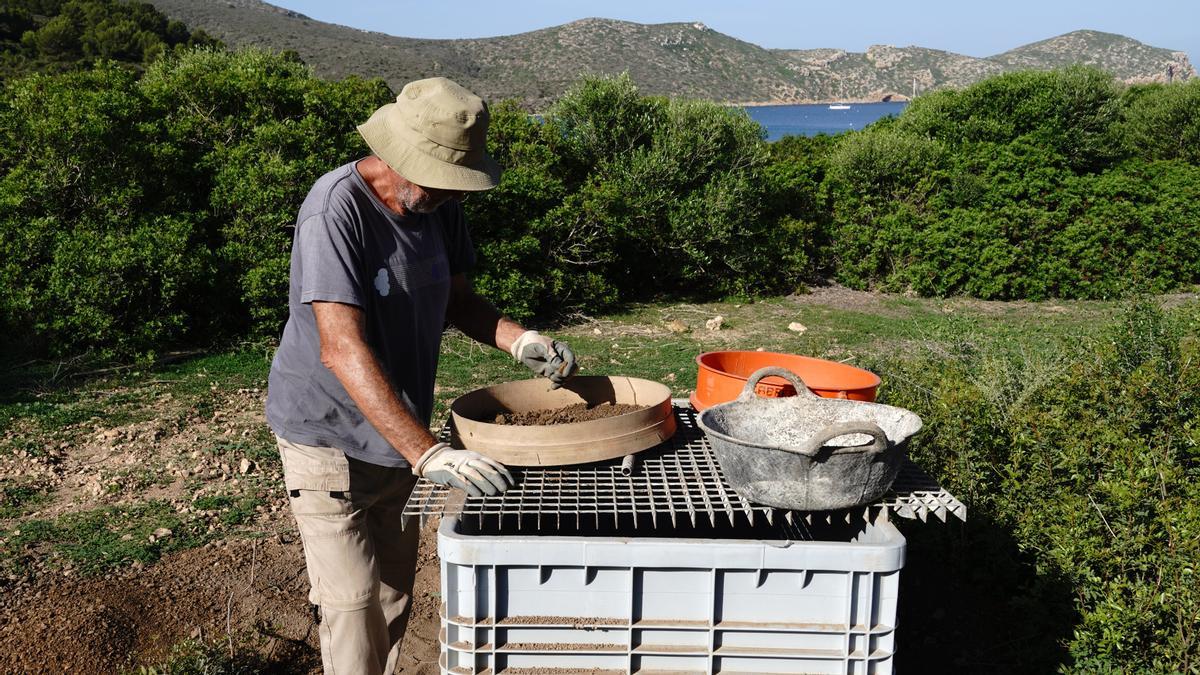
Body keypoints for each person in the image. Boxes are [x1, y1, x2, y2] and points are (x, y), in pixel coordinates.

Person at [264, 76, 578, 675]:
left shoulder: (438, 207)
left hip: (398, 431)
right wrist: (428, 453)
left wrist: (522, 340)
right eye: (439, 179)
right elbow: (341, 348)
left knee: (391, 595)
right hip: (327, 437)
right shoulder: (336, 210)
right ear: (396, 155)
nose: (450, 195)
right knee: (353, 606)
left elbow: (460, 301)